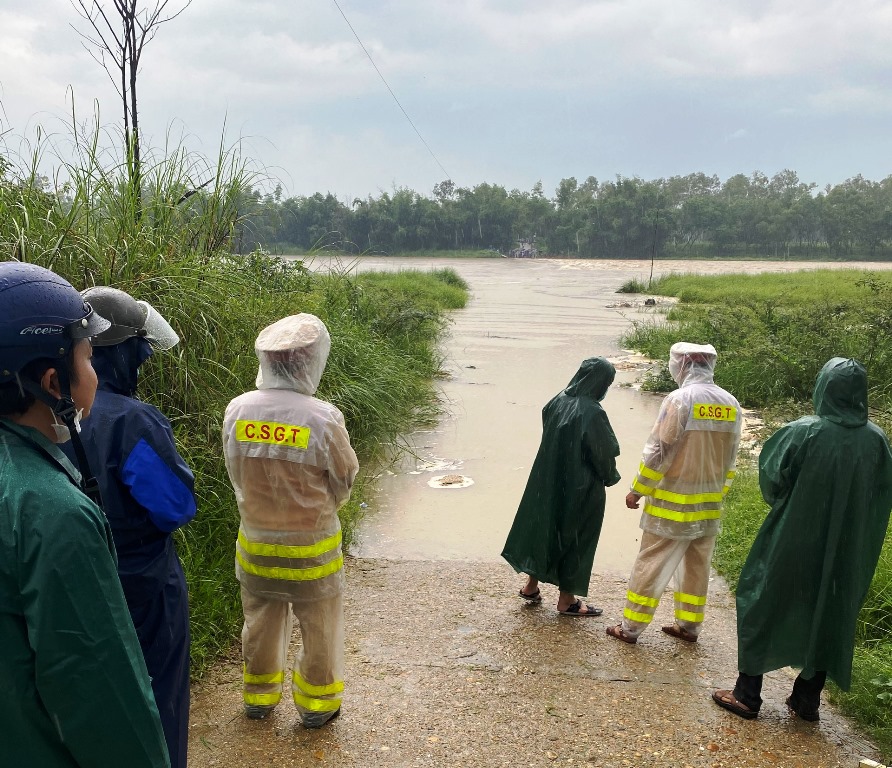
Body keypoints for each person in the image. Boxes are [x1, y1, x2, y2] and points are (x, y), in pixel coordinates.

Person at [0, 262, 170, 767]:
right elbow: (103, 701)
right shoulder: (53, 514)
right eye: (86, 357)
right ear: (54, 380)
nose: (92, 372)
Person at [713, 357, 892, 721]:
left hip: (792, 538)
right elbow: (881, 493)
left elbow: (773, 480)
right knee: (829, 610)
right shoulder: (876, 439)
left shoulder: (804, 430)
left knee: (764, 600)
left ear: (823, 387)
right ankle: (806, 699)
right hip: (847, 546)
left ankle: (747, 695)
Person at [61, 287, 196, 768]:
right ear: (117, 351)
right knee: (159, 701)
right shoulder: (134, 422)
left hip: (78, 584)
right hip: (144, 586)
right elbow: (175, 506)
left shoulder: (49, 413)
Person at [222, 313, 359, 728]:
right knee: (320, 630)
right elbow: (344, 477)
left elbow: (235, 470)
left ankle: (259, 700)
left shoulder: (239, 409)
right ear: (310, 361)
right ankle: (317, 710)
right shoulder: (322, 417)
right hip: (311, 553)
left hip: (256, 546)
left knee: (259, 625)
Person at [607, 342, 742, 644]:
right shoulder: (730, 403)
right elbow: (732, 457)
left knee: (651, 563)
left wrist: (637, 489)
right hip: (708, 503)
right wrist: (720, 493)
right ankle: (689, 627)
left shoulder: (681, 400)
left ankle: (629, 628)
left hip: (672, 502)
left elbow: (660, 451)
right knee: (697, 566)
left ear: (681, 365)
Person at [501, 357, 621, 616]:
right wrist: (611, 477)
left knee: (545, 527)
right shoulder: (593, 411)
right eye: (608, 382)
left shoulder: (557, 400)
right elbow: (603, 453)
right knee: (577, 537)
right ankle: (568, 600)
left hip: (547, 479)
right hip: (581, 486)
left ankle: (531, 586)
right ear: (600, 382)